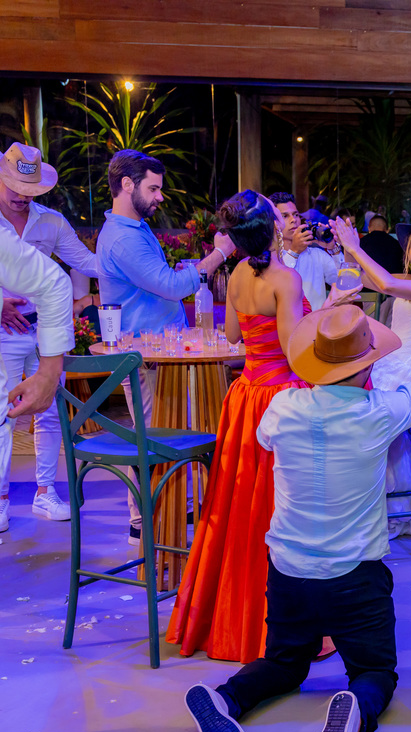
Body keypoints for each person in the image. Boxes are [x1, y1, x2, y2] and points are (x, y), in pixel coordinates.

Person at [183, 301, 411, 732]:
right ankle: (355, 708)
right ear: (367, 366)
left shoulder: (282, 407)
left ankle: (226, 698)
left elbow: (265, 440)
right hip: (354, 577)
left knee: (283, 664)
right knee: (375, 673)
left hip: (288, 572)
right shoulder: (378, 412)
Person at [166, 190, 332, 664]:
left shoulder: (237, 272)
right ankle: (283, 624)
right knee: (282, 507)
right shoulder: (286, 278)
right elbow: (294, 348)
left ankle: (230, 615)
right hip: (280, 398)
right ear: (274, 229)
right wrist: (326, 315)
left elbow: (235, 335)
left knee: (239, 505)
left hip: (244, 397)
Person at [96, 149, 236, 541]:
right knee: (153, 440)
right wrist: (220, 253)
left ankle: (174, 512)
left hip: (161, 353)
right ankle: (144, 525)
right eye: (153, 188)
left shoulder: (136, 228)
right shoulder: (124, 238)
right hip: (145, 358)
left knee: (166, 435)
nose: (160, 196)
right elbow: (171, 287)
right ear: (128, 185)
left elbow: (159, 281)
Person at [0, 142, 99, 531]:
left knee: (49, 412)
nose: (22, 196)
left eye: (30, 190)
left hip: (46, 328)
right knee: (0, 414)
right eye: (16, 187)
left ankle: (45, 491)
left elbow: (87, 262)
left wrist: (135, 261)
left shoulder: (51, 221)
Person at [332, 214, 411, 539]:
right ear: (407, 252)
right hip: (388, 364)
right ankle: (360, 501)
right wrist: (344, 249)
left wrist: (355, 247)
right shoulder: (408, 280)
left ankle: (383, 507)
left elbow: (386, 285)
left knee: (366, 417)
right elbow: (359, 278)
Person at [0, 211, 74, 610]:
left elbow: (55, 280)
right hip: (6, 335)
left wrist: (50, 372)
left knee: (37, 415)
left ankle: (43, 490)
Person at [271, 191, 338, 310]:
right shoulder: (270, 258)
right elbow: (277, 285)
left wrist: (334, 249)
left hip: (318, 321)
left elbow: (344, 282)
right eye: (285, 216)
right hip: (285, 321)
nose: (293, 220)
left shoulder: (316, 255)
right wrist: (294, 252)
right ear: (273, 223)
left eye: (296, 214)